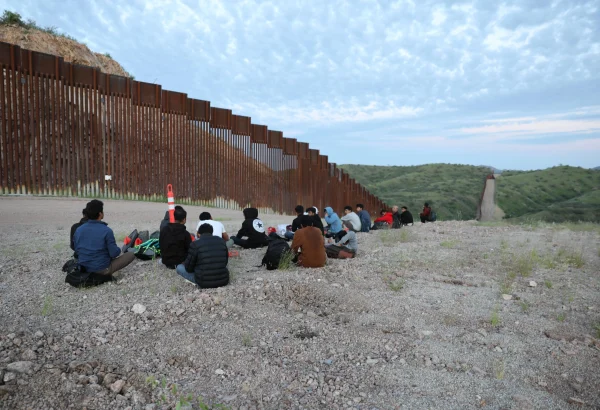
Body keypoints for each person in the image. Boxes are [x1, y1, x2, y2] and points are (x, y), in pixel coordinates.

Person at [74, 199, 135, 277]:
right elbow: (114, 253)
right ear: (100, 214)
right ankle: (107, 273)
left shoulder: (79, 230)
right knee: (131, 254)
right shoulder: (107, 231)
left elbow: (77, 249)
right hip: (101, 269)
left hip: (83, 268)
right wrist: (119, 249)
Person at [176, 223, 229, 288]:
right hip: (223, 280)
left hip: (203, 282)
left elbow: (189, 268)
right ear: (212, 232)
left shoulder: (195, 244)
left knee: (179, 267)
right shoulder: (221, 241)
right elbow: (225, 262)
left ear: (198, 234)